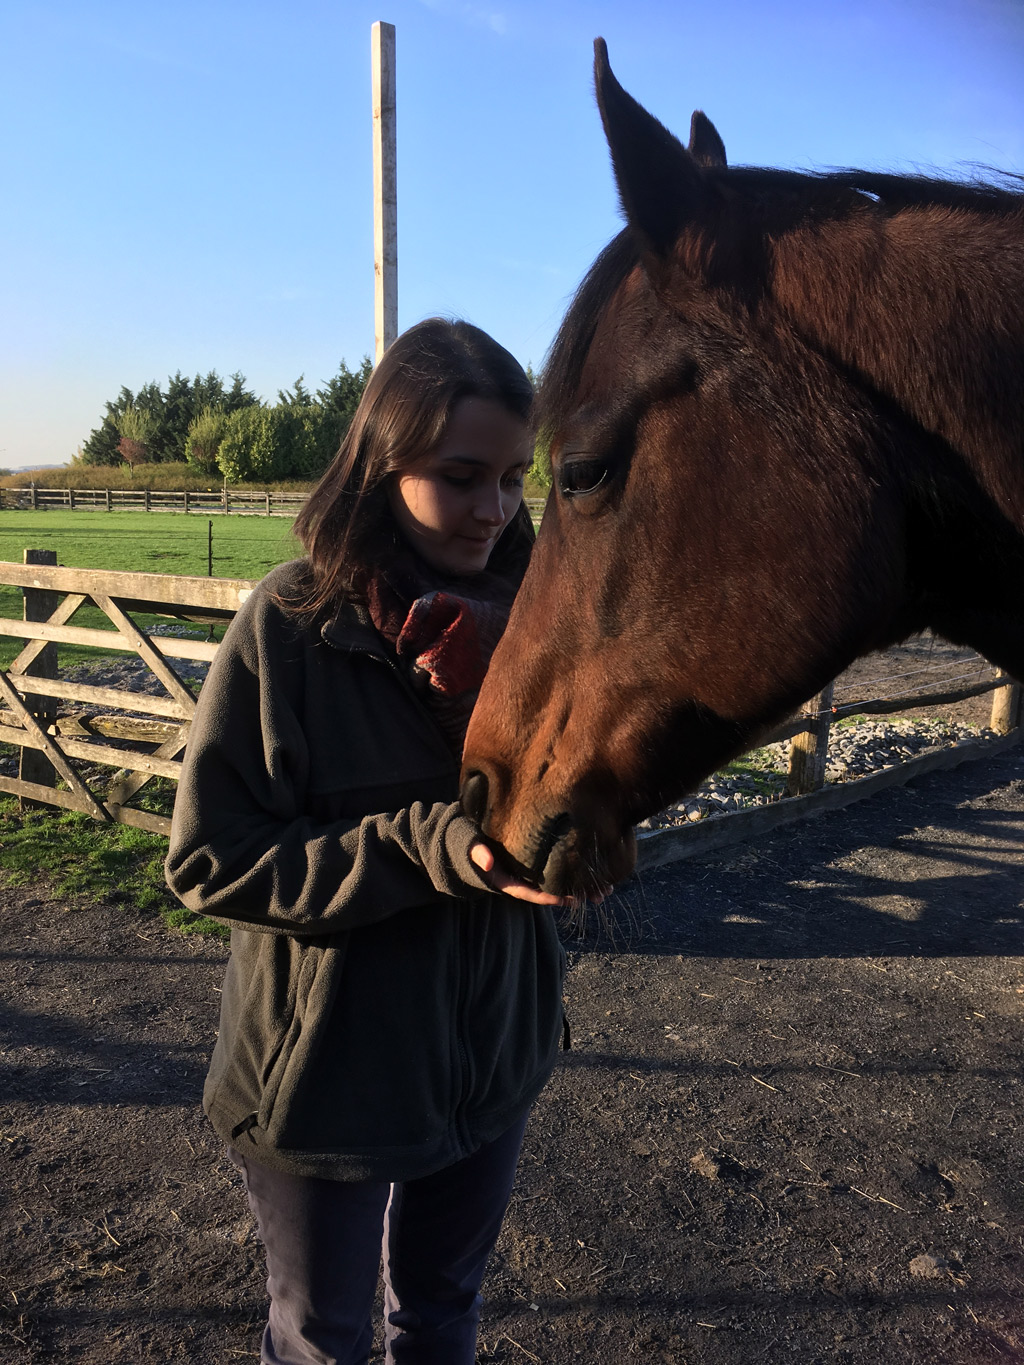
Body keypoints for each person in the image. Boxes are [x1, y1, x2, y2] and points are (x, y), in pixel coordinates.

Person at [165, 318, 569, 1365]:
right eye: (460, 474)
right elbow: (211, 858)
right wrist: (427, 848)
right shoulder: (291, 627)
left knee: (442, 1318)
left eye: (514, 478)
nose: (493, 509)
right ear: (381, 464)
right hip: (328, 1083)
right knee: (323, 1339)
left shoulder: (544, 627)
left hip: (489, 1064)